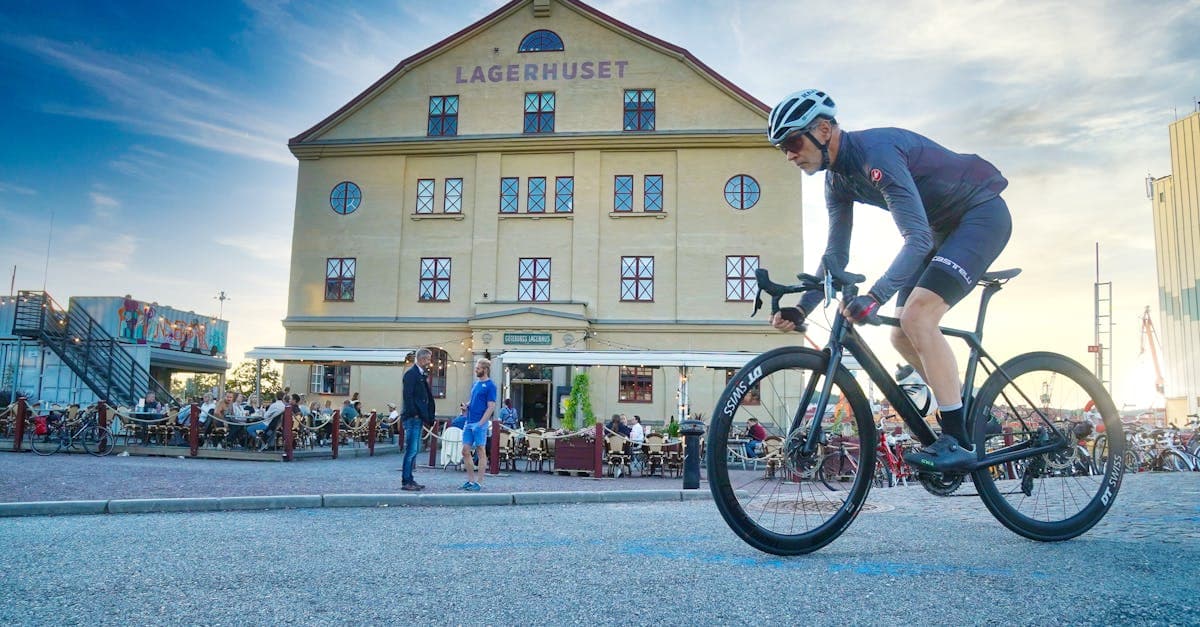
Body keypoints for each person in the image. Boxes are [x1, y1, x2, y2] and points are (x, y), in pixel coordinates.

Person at [766, 88, 1011, 473]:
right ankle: (972, 412)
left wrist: (876, 296)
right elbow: (835, 257)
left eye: (794, 142)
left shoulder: (876, 155)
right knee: (899, 334)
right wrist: (802, 307)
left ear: (825, 130)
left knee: (918, 318)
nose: (790, 154)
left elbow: (917, 240)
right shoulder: (838, 182)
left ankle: (957, 441)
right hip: (939, 230)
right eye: (783, 148)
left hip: (979, 215)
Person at [401, 348, 436, 491]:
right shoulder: (411, 374)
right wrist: (415, 413)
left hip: (418, 417)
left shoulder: (419, 374)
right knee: (411, 450)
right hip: (412, 418)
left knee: (414, 450)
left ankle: (409, 479)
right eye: (428, 359)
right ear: (421, 359)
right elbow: (408, 396)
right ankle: (406, 480)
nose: (429, 362)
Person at [461, 358, 497, 492]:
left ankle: (479, 482)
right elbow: (474, 400)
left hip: (479, 423)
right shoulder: (475, 384)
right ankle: (470, 481)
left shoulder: (490, 386)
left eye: (478, 368)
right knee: (465, 451)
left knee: (481, 451)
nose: (476, 370)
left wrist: (481, 423)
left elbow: (491, 406)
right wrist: (466, 406)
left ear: (485, 370)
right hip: (469, 421)